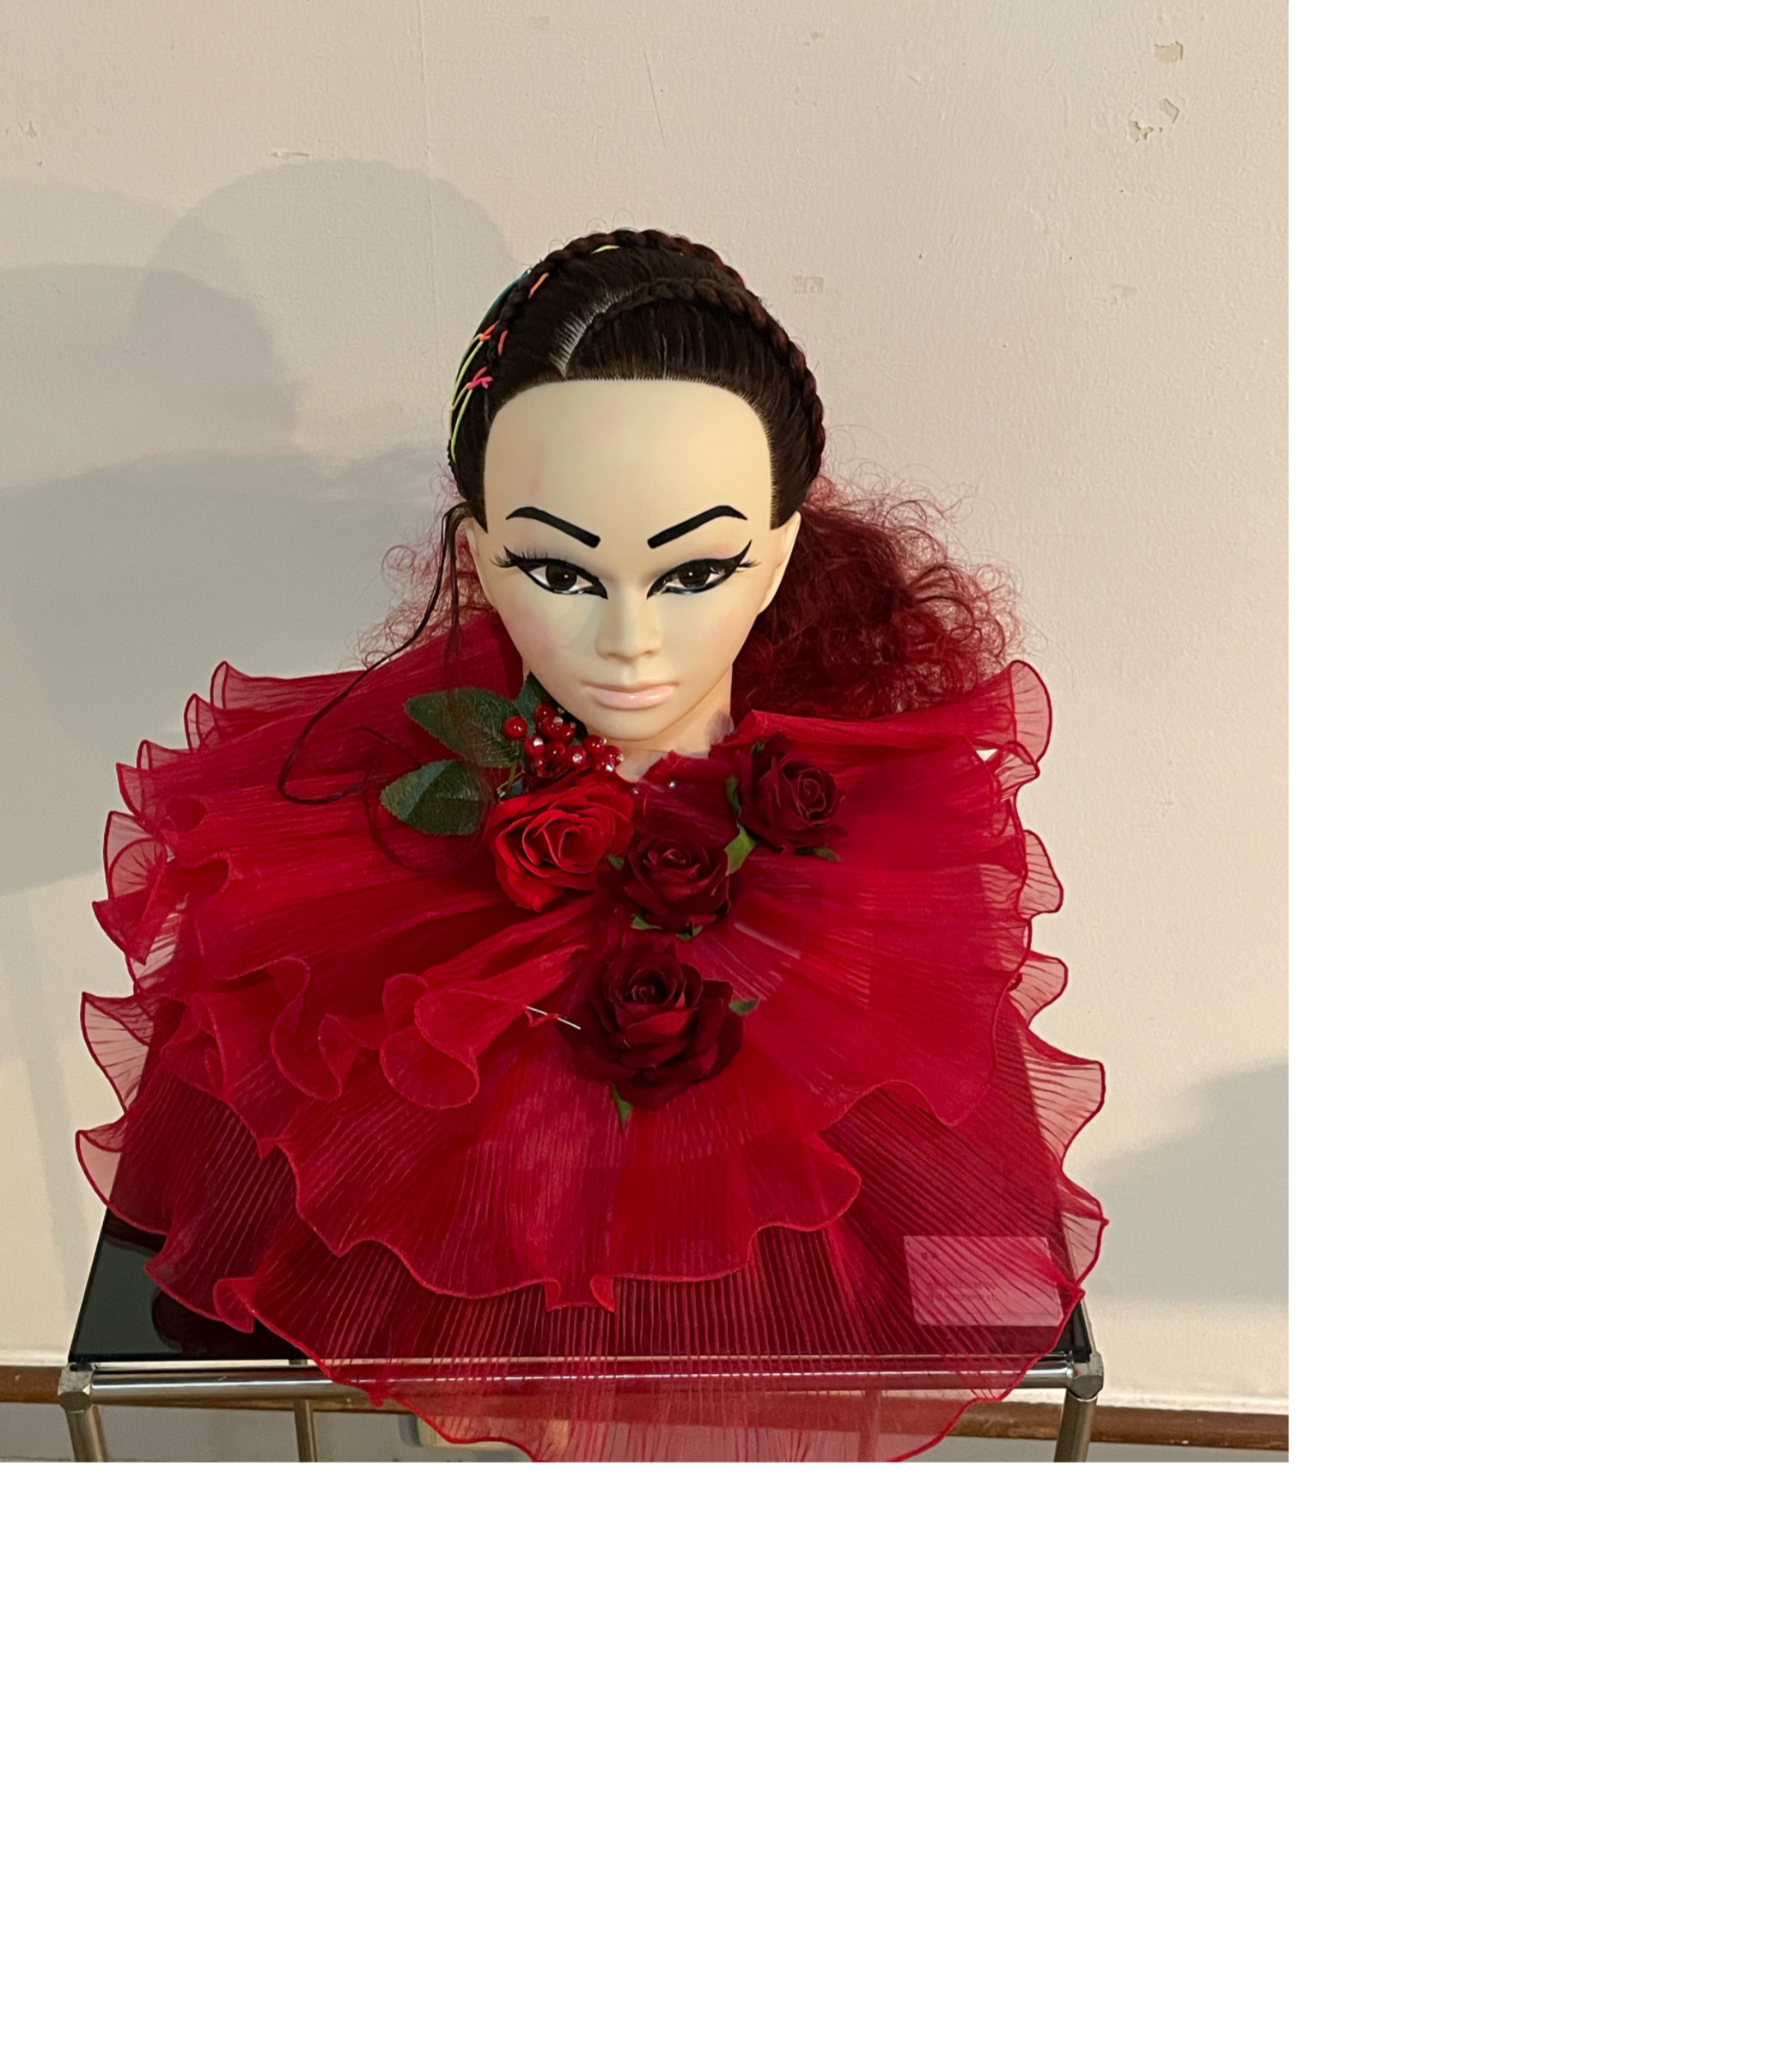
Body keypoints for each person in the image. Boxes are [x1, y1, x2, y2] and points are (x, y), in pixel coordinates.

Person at [78, 228, 1106, 1461]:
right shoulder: (317, 882)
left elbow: (946, 1231)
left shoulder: (898, 860)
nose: (629, 640)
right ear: (478, 557)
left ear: (781, 549)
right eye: (560, 571)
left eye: (697, 569)